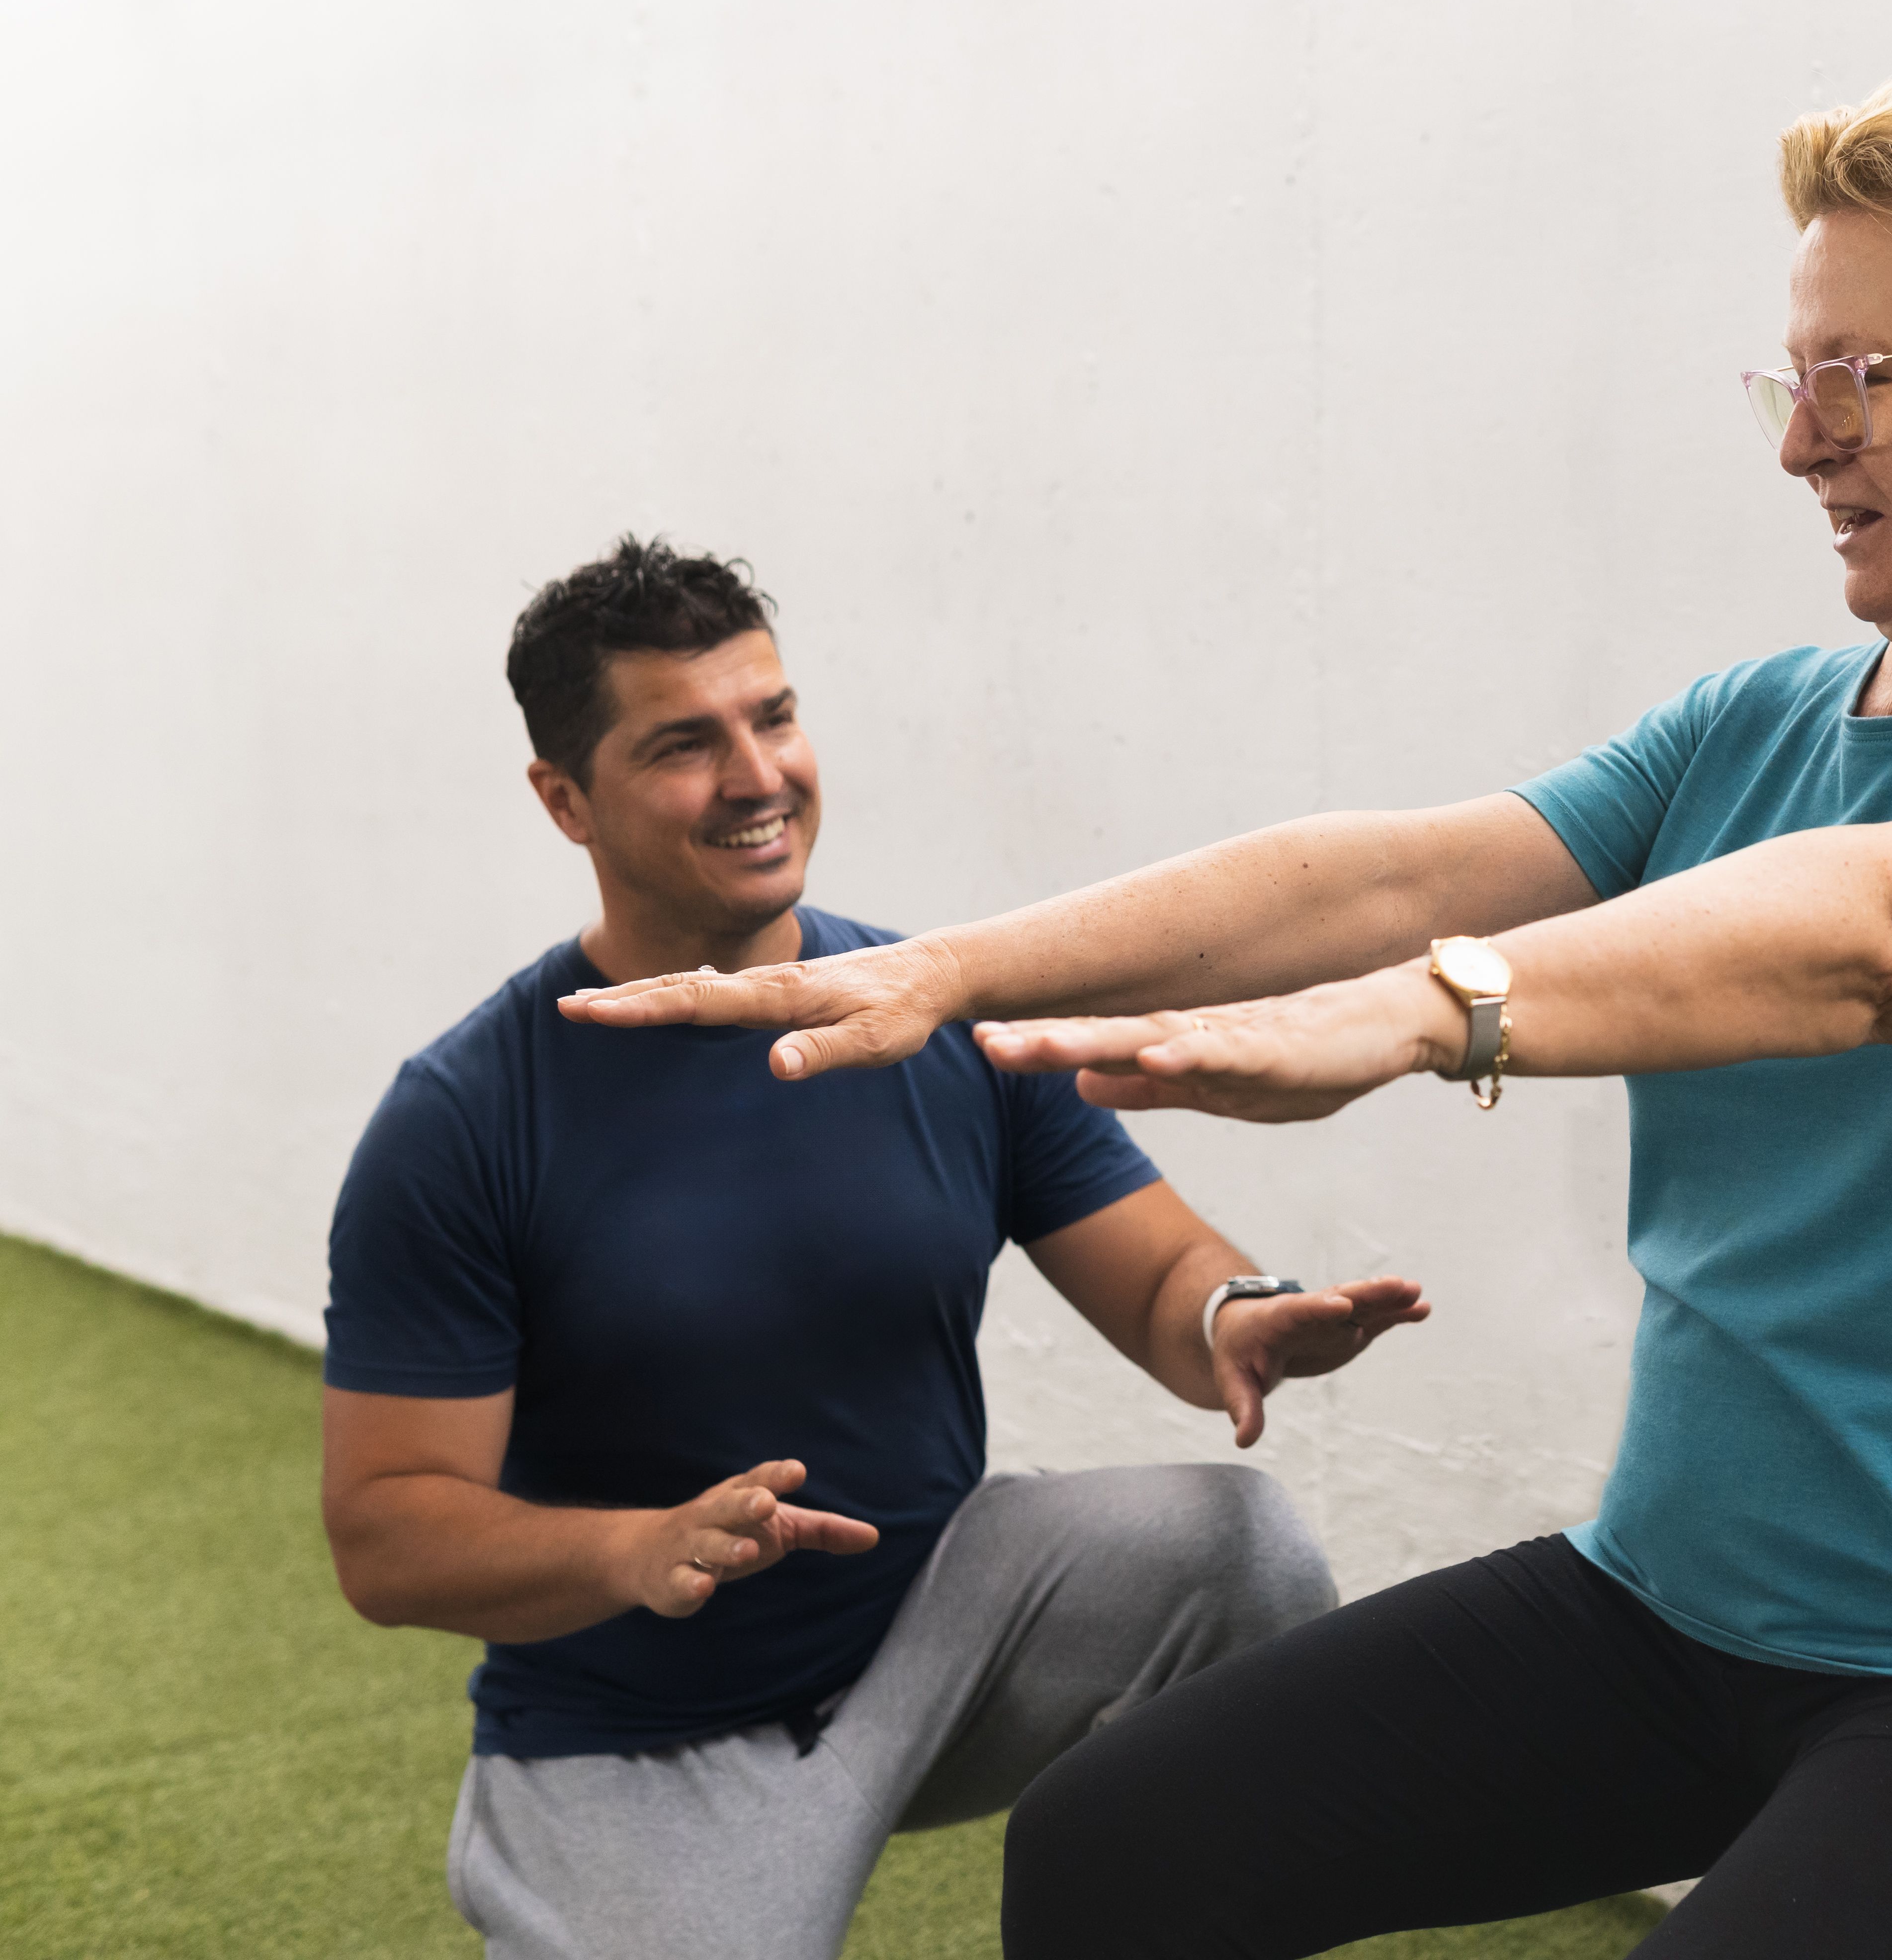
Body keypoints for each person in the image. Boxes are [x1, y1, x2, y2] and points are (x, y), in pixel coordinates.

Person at [566, 48, 1892, 1960]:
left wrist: (1435, 1015)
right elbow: (1389, 873)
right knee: (1121, 1851)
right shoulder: (1756, 725)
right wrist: (950, 965)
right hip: (1684, 1602)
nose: (1801, 443)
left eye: (1864, 379)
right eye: (1794, 377)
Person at [318, 538, 1428, 1960]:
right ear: (564, 800)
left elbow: (1159, 1275)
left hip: (939, 1632)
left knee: (1237, 1549)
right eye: (682, 744)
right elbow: (389, 1534)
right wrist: (638, 1549)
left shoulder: (936, 1015)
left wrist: (1235, 1314)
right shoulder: (466, 1118)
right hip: (642, 1728)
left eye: (771, 717)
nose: (756, 775)